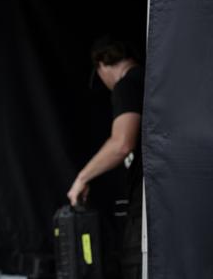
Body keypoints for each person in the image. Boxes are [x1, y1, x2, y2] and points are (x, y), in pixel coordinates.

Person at [67, 36, 144, 279]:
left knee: (136, 264)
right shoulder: (150, 80)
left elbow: (122, 143)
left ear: (102, 64)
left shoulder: (127, 84)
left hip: (147, 201)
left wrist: (82, 178)